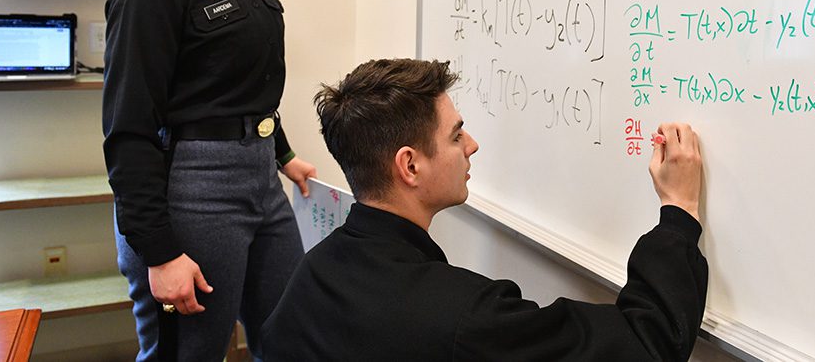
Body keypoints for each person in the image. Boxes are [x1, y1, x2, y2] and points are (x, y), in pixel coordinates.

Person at [262, 58, 708, 361]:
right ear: (410, 165)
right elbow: (648, 346)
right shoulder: (463, 318)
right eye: (456, 135)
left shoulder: (314, 271)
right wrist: (679, 209)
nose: (472, 145)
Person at [102, 0, 316, 361]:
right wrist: (160, 252)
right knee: (189, 354)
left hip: (260, 179)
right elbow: (128, 131)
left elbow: (243, 80)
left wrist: (284, 154)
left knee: (290, 338)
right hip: (192, 189)